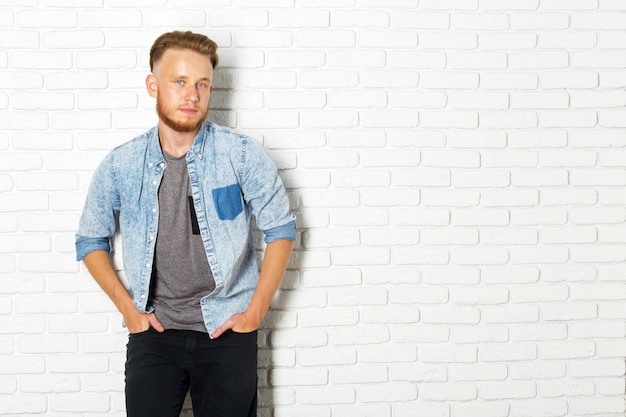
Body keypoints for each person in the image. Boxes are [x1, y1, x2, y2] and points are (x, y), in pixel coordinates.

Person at [75, 30, 296, 417]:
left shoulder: (241, 155)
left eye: (202, 84)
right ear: (153, 85)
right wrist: (128, 310)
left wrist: (256, 313)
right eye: (179, 81)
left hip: (228, 328)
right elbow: (90, 240)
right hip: (155, 334)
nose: (191, 94)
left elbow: (281, 229)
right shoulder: (121, 164)